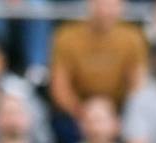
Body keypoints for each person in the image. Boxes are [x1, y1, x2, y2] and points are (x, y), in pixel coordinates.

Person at [49, 0, 148, 129]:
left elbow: (137, 85)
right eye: (101, 4)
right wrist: (83, 112)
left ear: (122, 7)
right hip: (75, 113)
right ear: (90, 4)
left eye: (112, 5)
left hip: (118, 112)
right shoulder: (66, 36)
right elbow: (60, 88)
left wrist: (112, 115)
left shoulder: (133, 37)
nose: (105, 11)